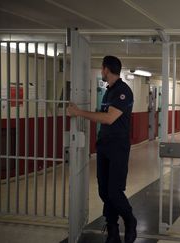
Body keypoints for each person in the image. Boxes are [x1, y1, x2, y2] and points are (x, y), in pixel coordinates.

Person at [67, 56, 137, 243]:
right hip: (104, 146)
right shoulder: (108, 92)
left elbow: (108, 118)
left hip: (118, 148)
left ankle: (130, 221)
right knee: (104, 191)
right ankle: (112, 228)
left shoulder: (123, 92)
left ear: (106, 69)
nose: (101, 71)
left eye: (101, 69)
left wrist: (78, 112)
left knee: (115, 191)